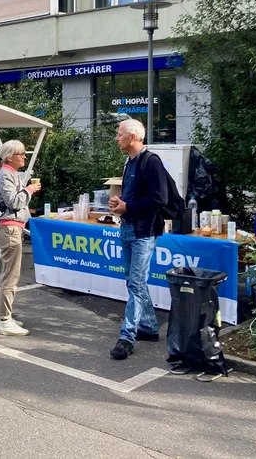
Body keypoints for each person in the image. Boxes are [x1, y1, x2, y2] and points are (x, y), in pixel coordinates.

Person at [108, 119, 168, 360]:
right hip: (128, 228)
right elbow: (131, 197)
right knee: (135, 282)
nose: (116, 138)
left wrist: (128, 206)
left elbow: (160, 198)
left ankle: (127, 336)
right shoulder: (129, 161)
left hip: (144, 232)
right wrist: (118, 203)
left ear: (132, 137)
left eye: (119, 134)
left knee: (135, 283)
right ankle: (151, 328)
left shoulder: (151, 161)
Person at [0, 139, 41, 337]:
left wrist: (27, 191)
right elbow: (14, 203)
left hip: (12, 228)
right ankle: (4, 321)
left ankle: (1, 316)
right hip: (9, 229)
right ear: (10, 157)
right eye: (21, 154)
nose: (24, 157)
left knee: (8, 274)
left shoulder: (10, 173)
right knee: (11, 276)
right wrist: (29, 190)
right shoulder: (5, 175)